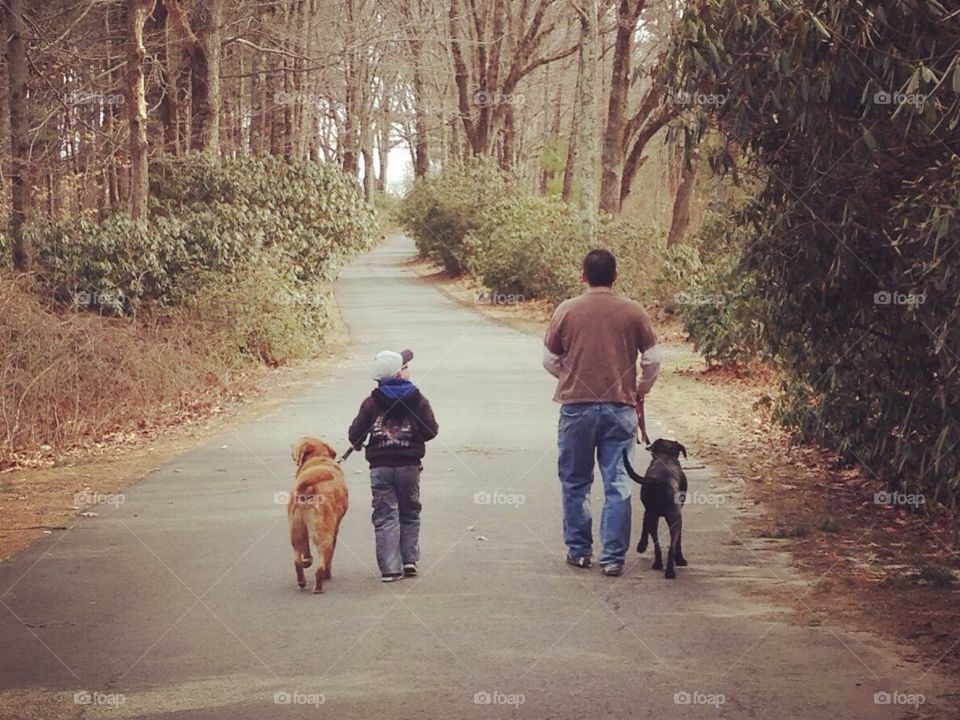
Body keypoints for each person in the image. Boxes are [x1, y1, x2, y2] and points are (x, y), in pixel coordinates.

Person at [542, 249, 661, 577]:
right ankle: (612, 558)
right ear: (615, 276)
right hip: (619, 409)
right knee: (618, 483)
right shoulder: (633, 311)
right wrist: (640, 388)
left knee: (575, 481)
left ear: (583, 276)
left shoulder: (566, 311)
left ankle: (579, 551)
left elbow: (549, 359)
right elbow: (652, 359)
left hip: (576, 411)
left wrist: (570, 377)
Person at [349, 349, 439, 582]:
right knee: (410, 512)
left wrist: (359, 442)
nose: (408, 370)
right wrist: (414, 437)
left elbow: (355, 434)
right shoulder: (418, 399)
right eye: (405, 367)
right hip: (409, 466)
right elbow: (431, 430)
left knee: (385, 514)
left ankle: (390, 568)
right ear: (399, 373)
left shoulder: (371, 403)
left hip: (380, 468)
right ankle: (409, 560)